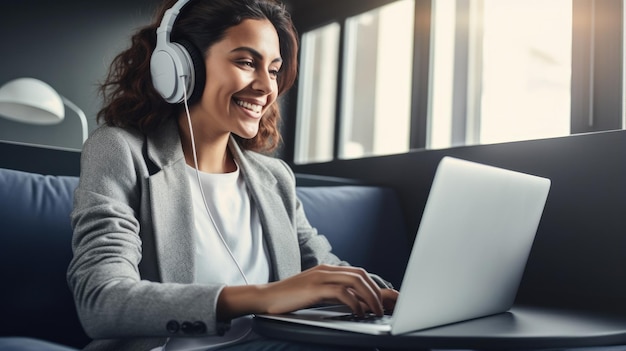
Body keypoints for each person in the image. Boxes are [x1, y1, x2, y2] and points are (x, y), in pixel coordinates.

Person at [66, 0, 398, 350]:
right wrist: (263, 296)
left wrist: (402, 299)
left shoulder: (274, 178)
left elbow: (326, 273)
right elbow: (101, 301)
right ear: (181, 65)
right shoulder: (120, 151)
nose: (266, 87)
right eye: (245, 62)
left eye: (273, 70)